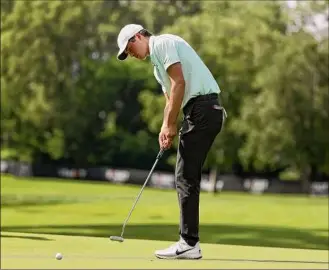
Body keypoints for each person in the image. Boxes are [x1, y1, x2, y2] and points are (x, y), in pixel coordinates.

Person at [116, 24, 226, 260]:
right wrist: (166, 127)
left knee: (185, 176)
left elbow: (179, 83)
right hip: (198, 111)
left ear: (138, 36)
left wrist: (170, 124)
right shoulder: (157, 67)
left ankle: (188, 243)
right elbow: (170, 98)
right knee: (186, 175)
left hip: (203, 109)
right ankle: (189, 242)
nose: (131, 54)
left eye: (129, 47)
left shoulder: (163, 43)